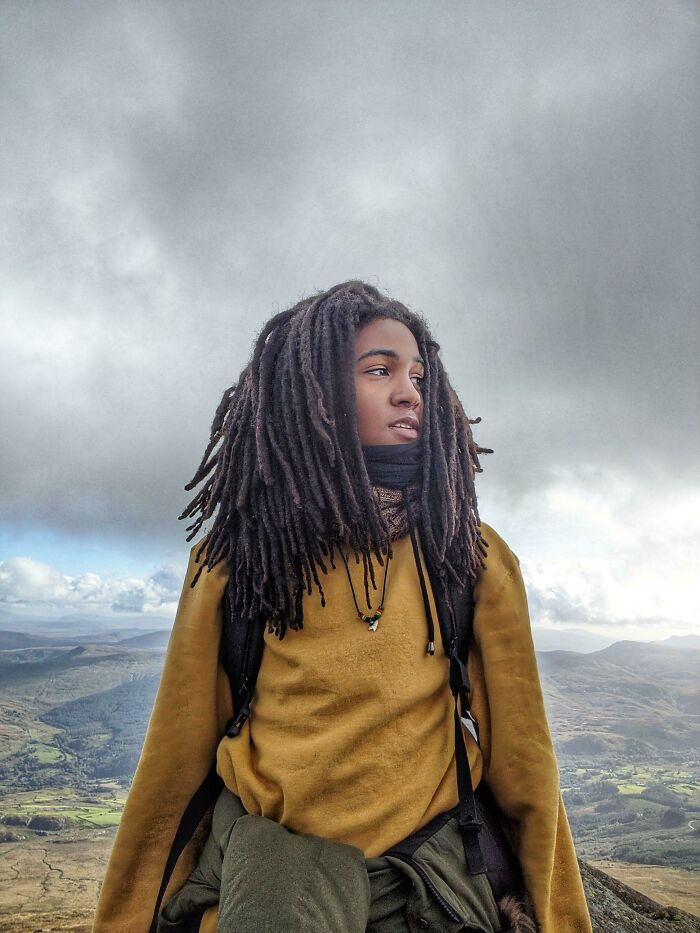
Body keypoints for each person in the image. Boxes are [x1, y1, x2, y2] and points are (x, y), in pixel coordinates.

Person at [92, 281, 593, 933]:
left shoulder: (469, 557)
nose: (409, 389)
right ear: (316, 393)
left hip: (425, 881)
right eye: (379, 369)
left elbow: (527, 771)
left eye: (417, 372)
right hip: (271, 875)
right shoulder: (235, 563)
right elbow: (172, 773)